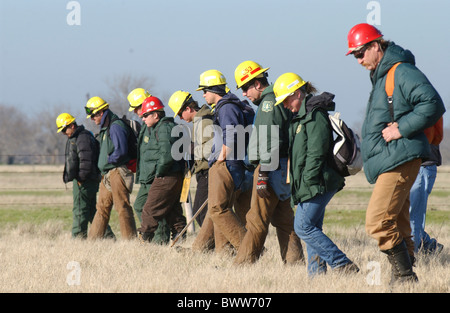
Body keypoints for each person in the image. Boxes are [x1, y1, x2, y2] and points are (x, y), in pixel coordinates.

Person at [345, 23, 445, 283]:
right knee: (399, 223)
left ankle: (404, 275)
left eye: (359, 53)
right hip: (391, 158)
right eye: (355, 55)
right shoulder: (382, 75)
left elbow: (433, 102)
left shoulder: (401, 71)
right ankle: (403, 278)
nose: (358, 60)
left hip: (401, 157)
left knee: (377, 221)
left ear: (375, 46)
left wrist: (401, 128)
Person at [273, 72, 359, 276]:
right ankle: (316, 276)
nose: (285, 106)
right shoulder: (303, 116)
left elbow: (316, 152)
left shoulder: (315, 114)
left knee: (302, 227)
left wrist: (307, 181)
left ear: (297, 93)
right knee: (312, 229)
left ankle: (342, 265)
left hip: (318, 182)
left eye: (285, 100)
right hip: (311, 183)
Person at [232, 61, 304, 265]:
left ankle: (242, 266)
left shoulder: (267, 103)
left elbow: (268, 138)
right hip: (283, 166)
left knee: (256, 221)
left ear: (257, 83)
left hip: (269, 166)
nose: (244, 94)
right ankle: (294, 264)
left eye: (245, 87)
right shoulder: (278, 99)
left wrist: (263, 173)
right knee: (284, 221)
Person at [195, 69, 253, 253]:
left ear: (213, 90)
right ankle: (224, 252)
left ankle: (249, 249)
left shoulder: (227, 107)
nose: (203, 95)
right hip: (228, 164)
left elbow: (231, 134)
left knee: (218, 210)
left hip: (226, 164)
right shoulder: (226, 106)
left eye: (205, 90)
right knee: (220, 209)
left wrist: (220, 158)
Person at [86, 96, 137, 240]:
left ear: (101, 113)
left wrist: (108, 160)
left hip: (118, 171)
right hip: (107, 173)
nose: (92, 119)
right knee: (101, 208)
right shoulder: (106, 127)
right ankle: (92, 241)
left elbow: (120, 151)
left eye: (93, 115)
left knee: (122, 206)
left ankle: (130, 241)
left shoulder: (115, 126)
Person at [136, 96, 187, 243]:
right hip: (172, 174)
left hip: (166, 175)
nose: (143, 119)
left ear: (155, 115)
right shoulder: (163, 127)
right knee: (172, 208)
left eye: (145, 115)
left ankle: (145, 240)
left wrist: (159, 172)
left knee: (149, 209)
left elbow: (167, 154)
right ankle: (179, 236)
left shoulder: (164, 128)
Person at [56, 113, 115, 239]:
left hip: (84, 181)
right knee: (91, 212)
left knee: (80, 210)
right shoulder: (82, 136)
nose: (64, 133)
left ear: (72, 125)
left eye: (64, 129)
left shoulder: (82, 138)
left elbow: (86, 161)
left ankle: (78, 238)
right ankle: (108, 237)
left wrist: (81, 179)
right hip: (89, 180)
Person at [127, 88, 171, 244]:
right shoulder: (147, 124)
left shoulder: (157, 125)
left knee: (154, 209)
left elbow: (163, 151)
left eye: (139, 108)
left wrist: (158, 171)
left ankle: (160, 240)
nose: (138, 113)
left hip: (154, 175)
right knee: (141, 206)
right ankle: (154, 237)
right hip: (147, 175)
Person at [168, 90, 214, 226]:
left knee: (202, 214)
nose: (180, 118)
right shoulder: (198, 122)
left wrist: (192, 149)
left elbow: (212, 150)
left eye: (181, 114)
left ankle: (214, 246)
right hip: (203, 173)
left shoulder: (204, 122)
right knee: (200, 214)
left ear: (188, 108)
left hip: (208, 173)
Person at [409, 117, 444, 254]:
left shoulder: (425, 104)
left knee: (413, 216)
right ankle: (428, 245)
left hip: (422, 164)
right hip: (418, 164)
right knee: (409, 215)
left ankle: (411, 260)